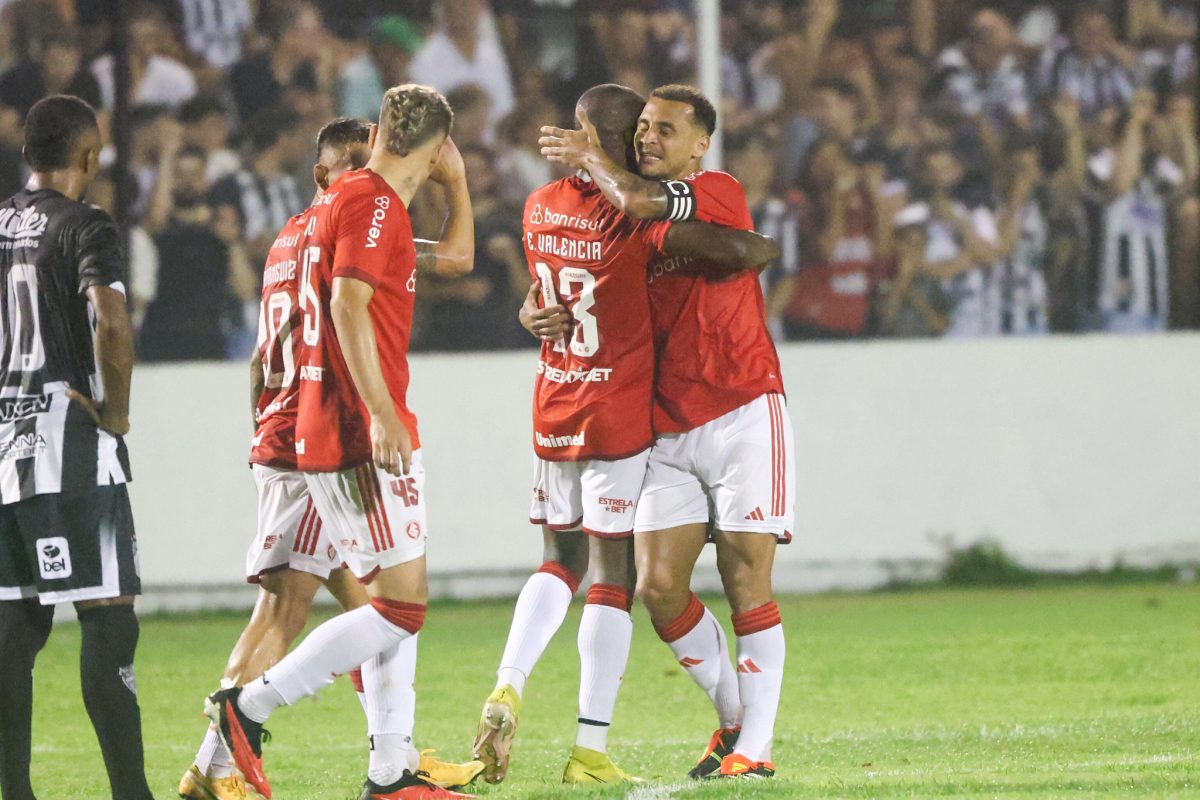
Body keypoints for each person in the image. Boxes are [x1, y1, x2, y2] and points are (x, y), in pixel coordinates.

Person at [473, 84, 780, 786]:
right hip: (628, 417)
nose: (648, 139)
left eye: (663, 129)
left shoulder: (540, 205)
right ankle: (591, 747)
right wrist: (760, 247)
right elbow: (726, 244)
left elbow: (555, 283)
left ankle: (512, 681)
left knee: (563, 560)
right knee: (622, 580)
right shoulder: (632, 218)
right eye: (641, 128)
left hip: (565, 403)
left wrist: (530, 311)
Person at [180, 117, 483, 800]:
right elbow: (438, 268)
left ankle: (395, 763)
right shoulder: (352, 224)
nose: (372, 170)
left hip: (290, 430)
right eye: (354, 160)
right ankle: (222, 753)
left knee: (371, 603)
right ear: (322, 173)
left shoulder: (293, 237)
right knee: (294, 612)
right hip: (319, 435)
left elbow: (260, 358)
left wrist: (261, 431)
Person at [0, 95, 153, 800]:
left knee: (12, 631)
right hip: (68, 449)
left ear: (28, 153)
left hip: (5, 450)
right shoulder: (86, 223)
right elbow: (112, 322)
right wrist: (115, 412)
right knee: (107, 617)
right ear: (89, 156)